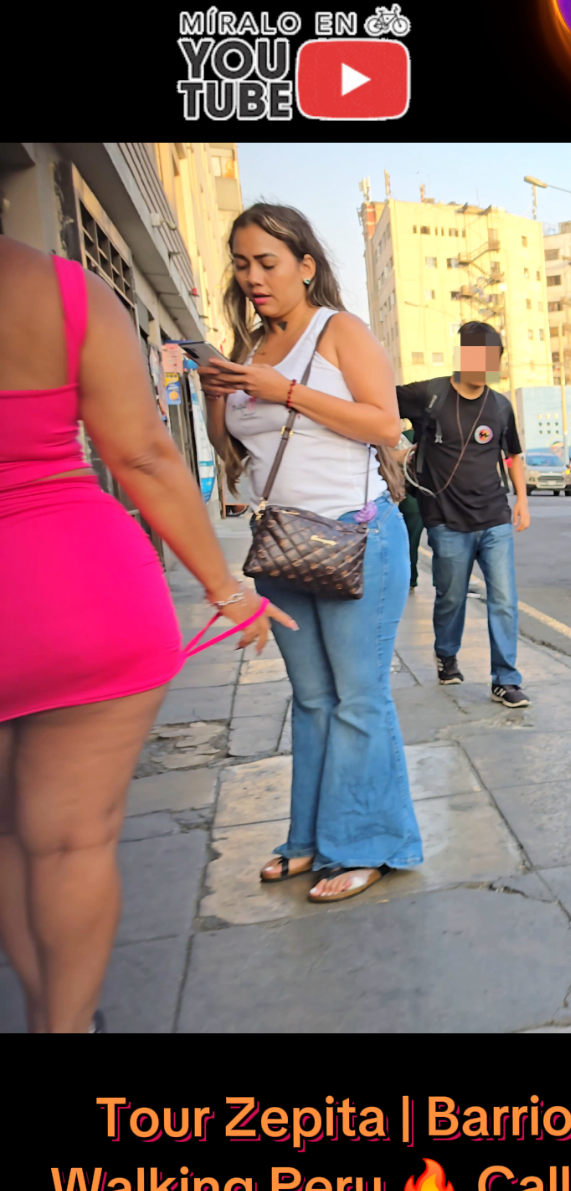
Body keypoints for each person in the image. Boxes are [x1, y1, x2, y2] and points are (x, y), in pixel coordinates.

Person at [0, 236, 295, 1033]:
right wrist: (228, 591)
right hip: (78, 590)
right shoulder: (65, 293)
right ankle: (60, 1024)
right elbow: (142, 452)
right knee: (70, 846)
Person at [200, 202, 423, 904]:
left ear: (305, 265)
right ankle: (310, 839)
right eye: (242, 264)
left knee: (359, 700)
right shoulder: (250, 351)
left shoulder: (338, 331)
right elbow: (234, 451)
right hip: (285, 543)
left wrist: (285, 391)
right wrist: (217, 394)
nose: (254, 277)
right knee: (313, 700)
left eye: (268, 262)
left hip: (356, 535)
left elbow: (386, 424)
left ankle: (368, 844)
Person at [397, 321, 531, 708]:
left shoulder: (501, 406)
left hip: (494, 516)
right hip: (445, 518)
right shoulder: (430, 395)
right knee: (451, 597)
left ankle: (505, 679)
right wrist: (394, 446)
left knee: (504, 599)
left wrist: (521, 499)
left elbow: (514, 455)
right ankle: (447, 654)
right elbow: (378, 401)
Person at [395, 420, 424, 590]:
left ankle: (408, 577)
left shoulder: (400, 438)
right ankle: (411, 577)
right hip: (420, 498)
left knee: (405, 542)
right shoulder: (427, 439)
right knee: (414, 542)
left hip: (402, 496)